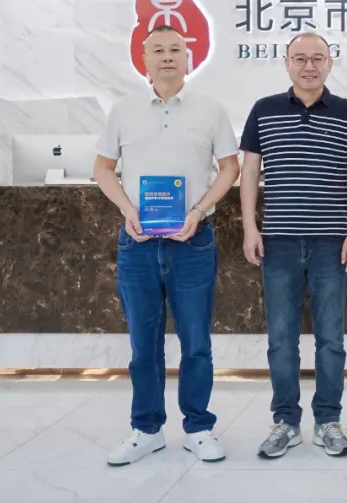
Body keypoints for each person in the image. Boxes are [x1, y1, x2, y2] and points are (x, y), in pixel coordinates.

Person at [95, 24, 240, 467]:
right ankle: (147, 429)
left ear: (188, 57)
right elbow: (103, 169)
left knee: (196, 342)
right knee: (144, 345)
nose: (167, 57)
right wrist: (127, 208)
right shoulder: (123, 110)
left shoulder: (210, 109)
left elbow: (230, 168)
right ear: (144, 59)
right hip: (138, 242)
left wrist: (198, 210)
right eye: (157, 50)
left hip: (193, 241)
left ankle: (198, 428)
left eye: (175, 49)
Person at [239, 32, 347, 459]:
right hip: (277, 241)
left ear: (329, 64)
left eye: (317, 59)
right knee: (281, 339)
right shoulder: (264, 110)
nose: (309, 66)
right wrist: (250, 228)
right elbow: (249, 172)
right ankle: (286, 421)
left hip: (331, 242)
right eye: (300, 58)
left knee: (331, 339)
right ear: (286, 63)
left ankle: (328, 420)